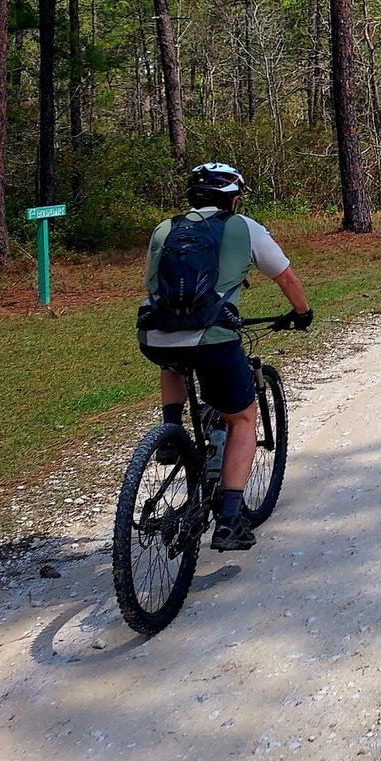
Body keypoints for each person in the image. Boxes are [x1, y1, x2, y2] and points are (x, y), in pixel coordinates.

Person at [138, 162, 313, 551]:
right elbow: (285, 276)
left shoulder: (164, 229)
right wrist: (302, 313)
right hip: (214, 338)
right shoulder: (243, 227)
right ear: (233, 199)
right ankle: (231, 518)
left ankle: (171, 434)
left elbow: (150, 282)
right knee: (243, 416)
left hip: (155, 335)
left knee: (173, 360)